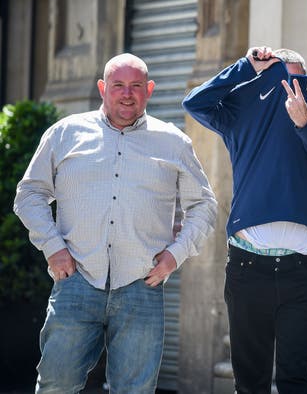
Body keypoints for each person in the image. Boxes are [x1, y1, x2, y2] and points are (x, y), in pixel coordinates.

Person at [14, 53, 217, 393]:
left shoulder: (173, 142)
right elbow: (29, 195)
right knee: (56, 384)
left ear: (149, 90)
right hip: (76, 280)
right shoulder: (65, 133)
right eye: (118, 85)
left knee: (135, 390)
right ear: (102, 88)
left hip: (142, 285)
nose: (127, 94)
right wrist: (53, 248)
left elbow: (204, 206)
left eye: (136, 86)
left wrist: (174, 256)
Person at [182, 46, 307, 393]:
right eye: (284, 80)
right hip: (247, 270)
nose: (292, 89)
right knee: (250, 383)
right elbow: (194, 103)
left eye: (300, 81)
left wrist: (305, 124)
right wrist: (244, 67)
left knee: (295, 382)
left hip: (302, 273)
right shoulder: (242, 112)